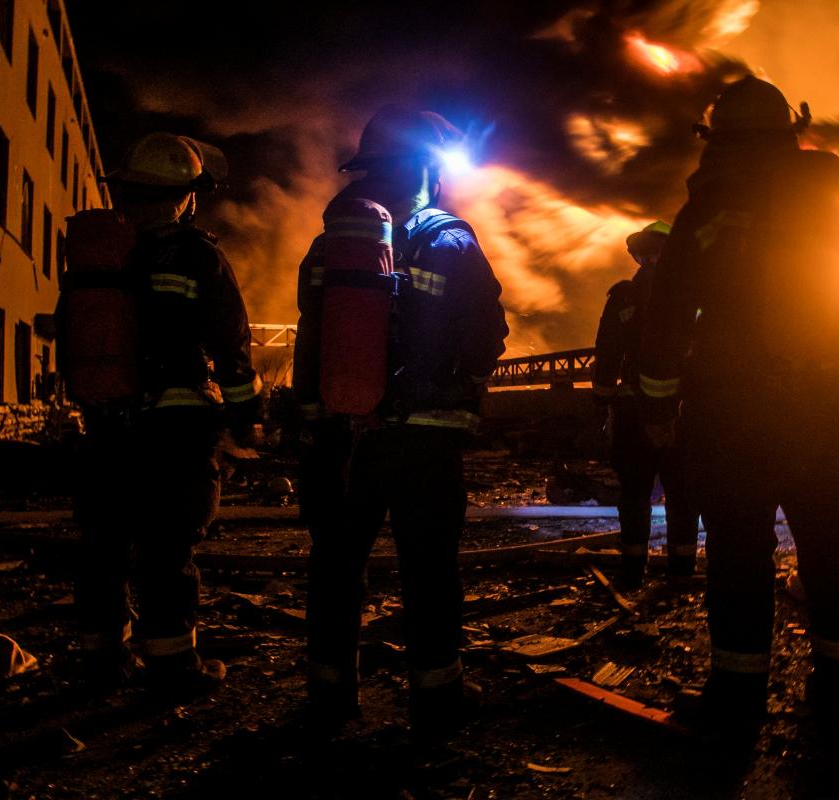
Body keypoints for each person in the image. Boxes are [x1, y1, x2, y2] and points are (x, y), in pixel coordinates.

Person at [637, 76, 839, 729]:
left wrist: (658, 406)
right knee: (830, 546)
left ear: (718, 141)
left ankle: (738, 699)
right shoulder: (831, 217)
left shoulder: (706, 215)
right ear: (788, 136)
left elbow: (663, 322)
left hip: (732, 419)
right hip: (816, 420)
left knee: (741, 554)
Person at [295, 106, 508, 736]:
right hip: (425, 437)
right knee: (429, 566)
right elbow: (487, 334)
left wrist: (316, 420)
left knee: (336, 563)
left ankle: (331, 696)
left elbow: (311, 330)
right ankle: (437, 698)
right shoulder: (451, 238)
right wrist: (460, 386)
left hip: (342, 434)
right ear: (429, 167)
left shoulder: (332, 241)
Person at [65, 132, 263, 694]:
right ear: (188, 195)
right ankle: (174, 668)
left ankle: (102, 662)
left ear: (125, 191)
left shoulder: (100, 256)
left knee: (103, 544)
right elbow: (231, 344)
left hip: (106, 426)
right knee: (167, 551)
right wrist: (246, 417)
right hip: (176, 432)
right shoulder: (198, 254)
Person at [593, 221, 699, 590]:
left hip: (634, 411)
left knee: (635, 494)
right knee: (682, 493)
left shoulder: (624, 296)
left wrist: (602, 400)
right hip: (682, 413)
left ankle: (633, 572)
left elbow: (606, 355)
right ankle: (681, 573)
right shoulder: (696, 298)